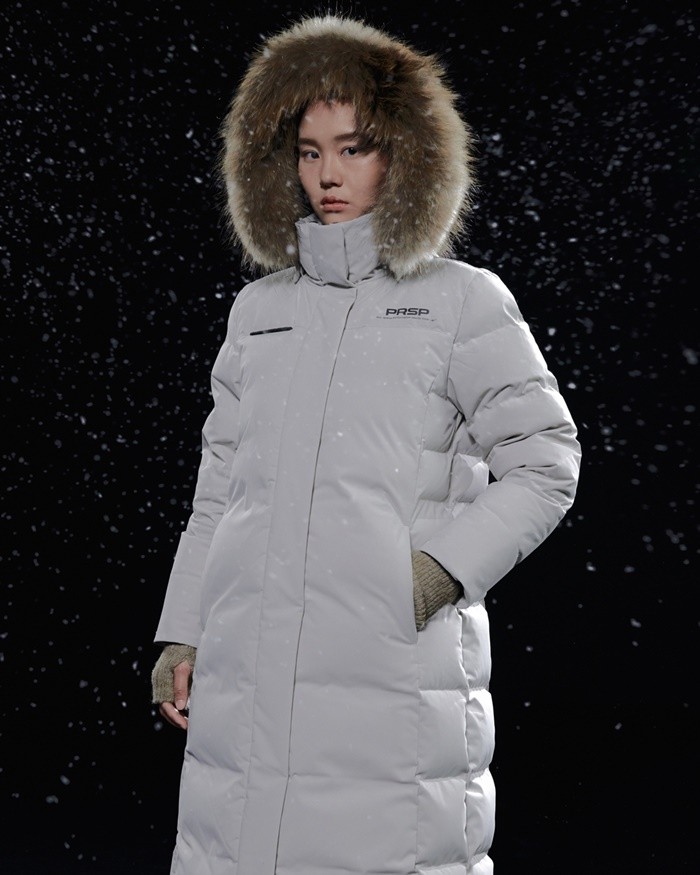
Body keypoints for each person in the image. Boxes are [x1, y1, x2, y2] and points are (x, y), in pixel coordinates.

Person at [150, 14, 581, 875]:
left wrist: (434, 575)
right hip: (247, 670)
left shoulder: (461, 301)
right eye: (308, 151)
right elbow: (220, 489)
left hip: (386, 673)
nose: (328, 175)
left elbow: (545, 459)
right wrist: (184, 632)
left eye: (353, 148)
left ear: (404, 154)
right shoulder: (258, 313)